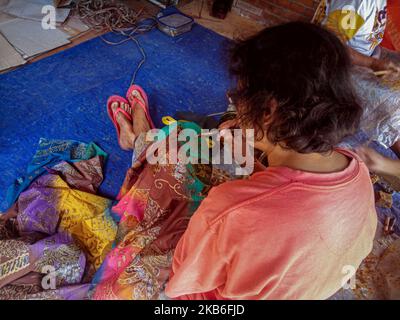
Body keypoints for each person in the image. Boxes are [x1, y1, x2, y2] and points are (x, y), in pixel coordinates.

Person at [94, 22, 377, 300]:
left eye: (238, 95)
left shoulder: (229, 208)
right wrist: (255, 164)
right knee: (193, 150)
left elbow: (183, 284)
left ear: (267, 111)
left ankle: (137, 139)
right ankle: (139, 137)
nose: (235, 102)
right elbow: (296, 197)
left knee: (171, 160)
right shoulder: (358, 171)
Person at [315, 0, 400, 157]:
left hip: (365, 56)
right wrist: (374, 64)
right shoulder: (357, 2)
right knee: (394, 105)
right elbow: (328, 46)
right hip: (336, 69)